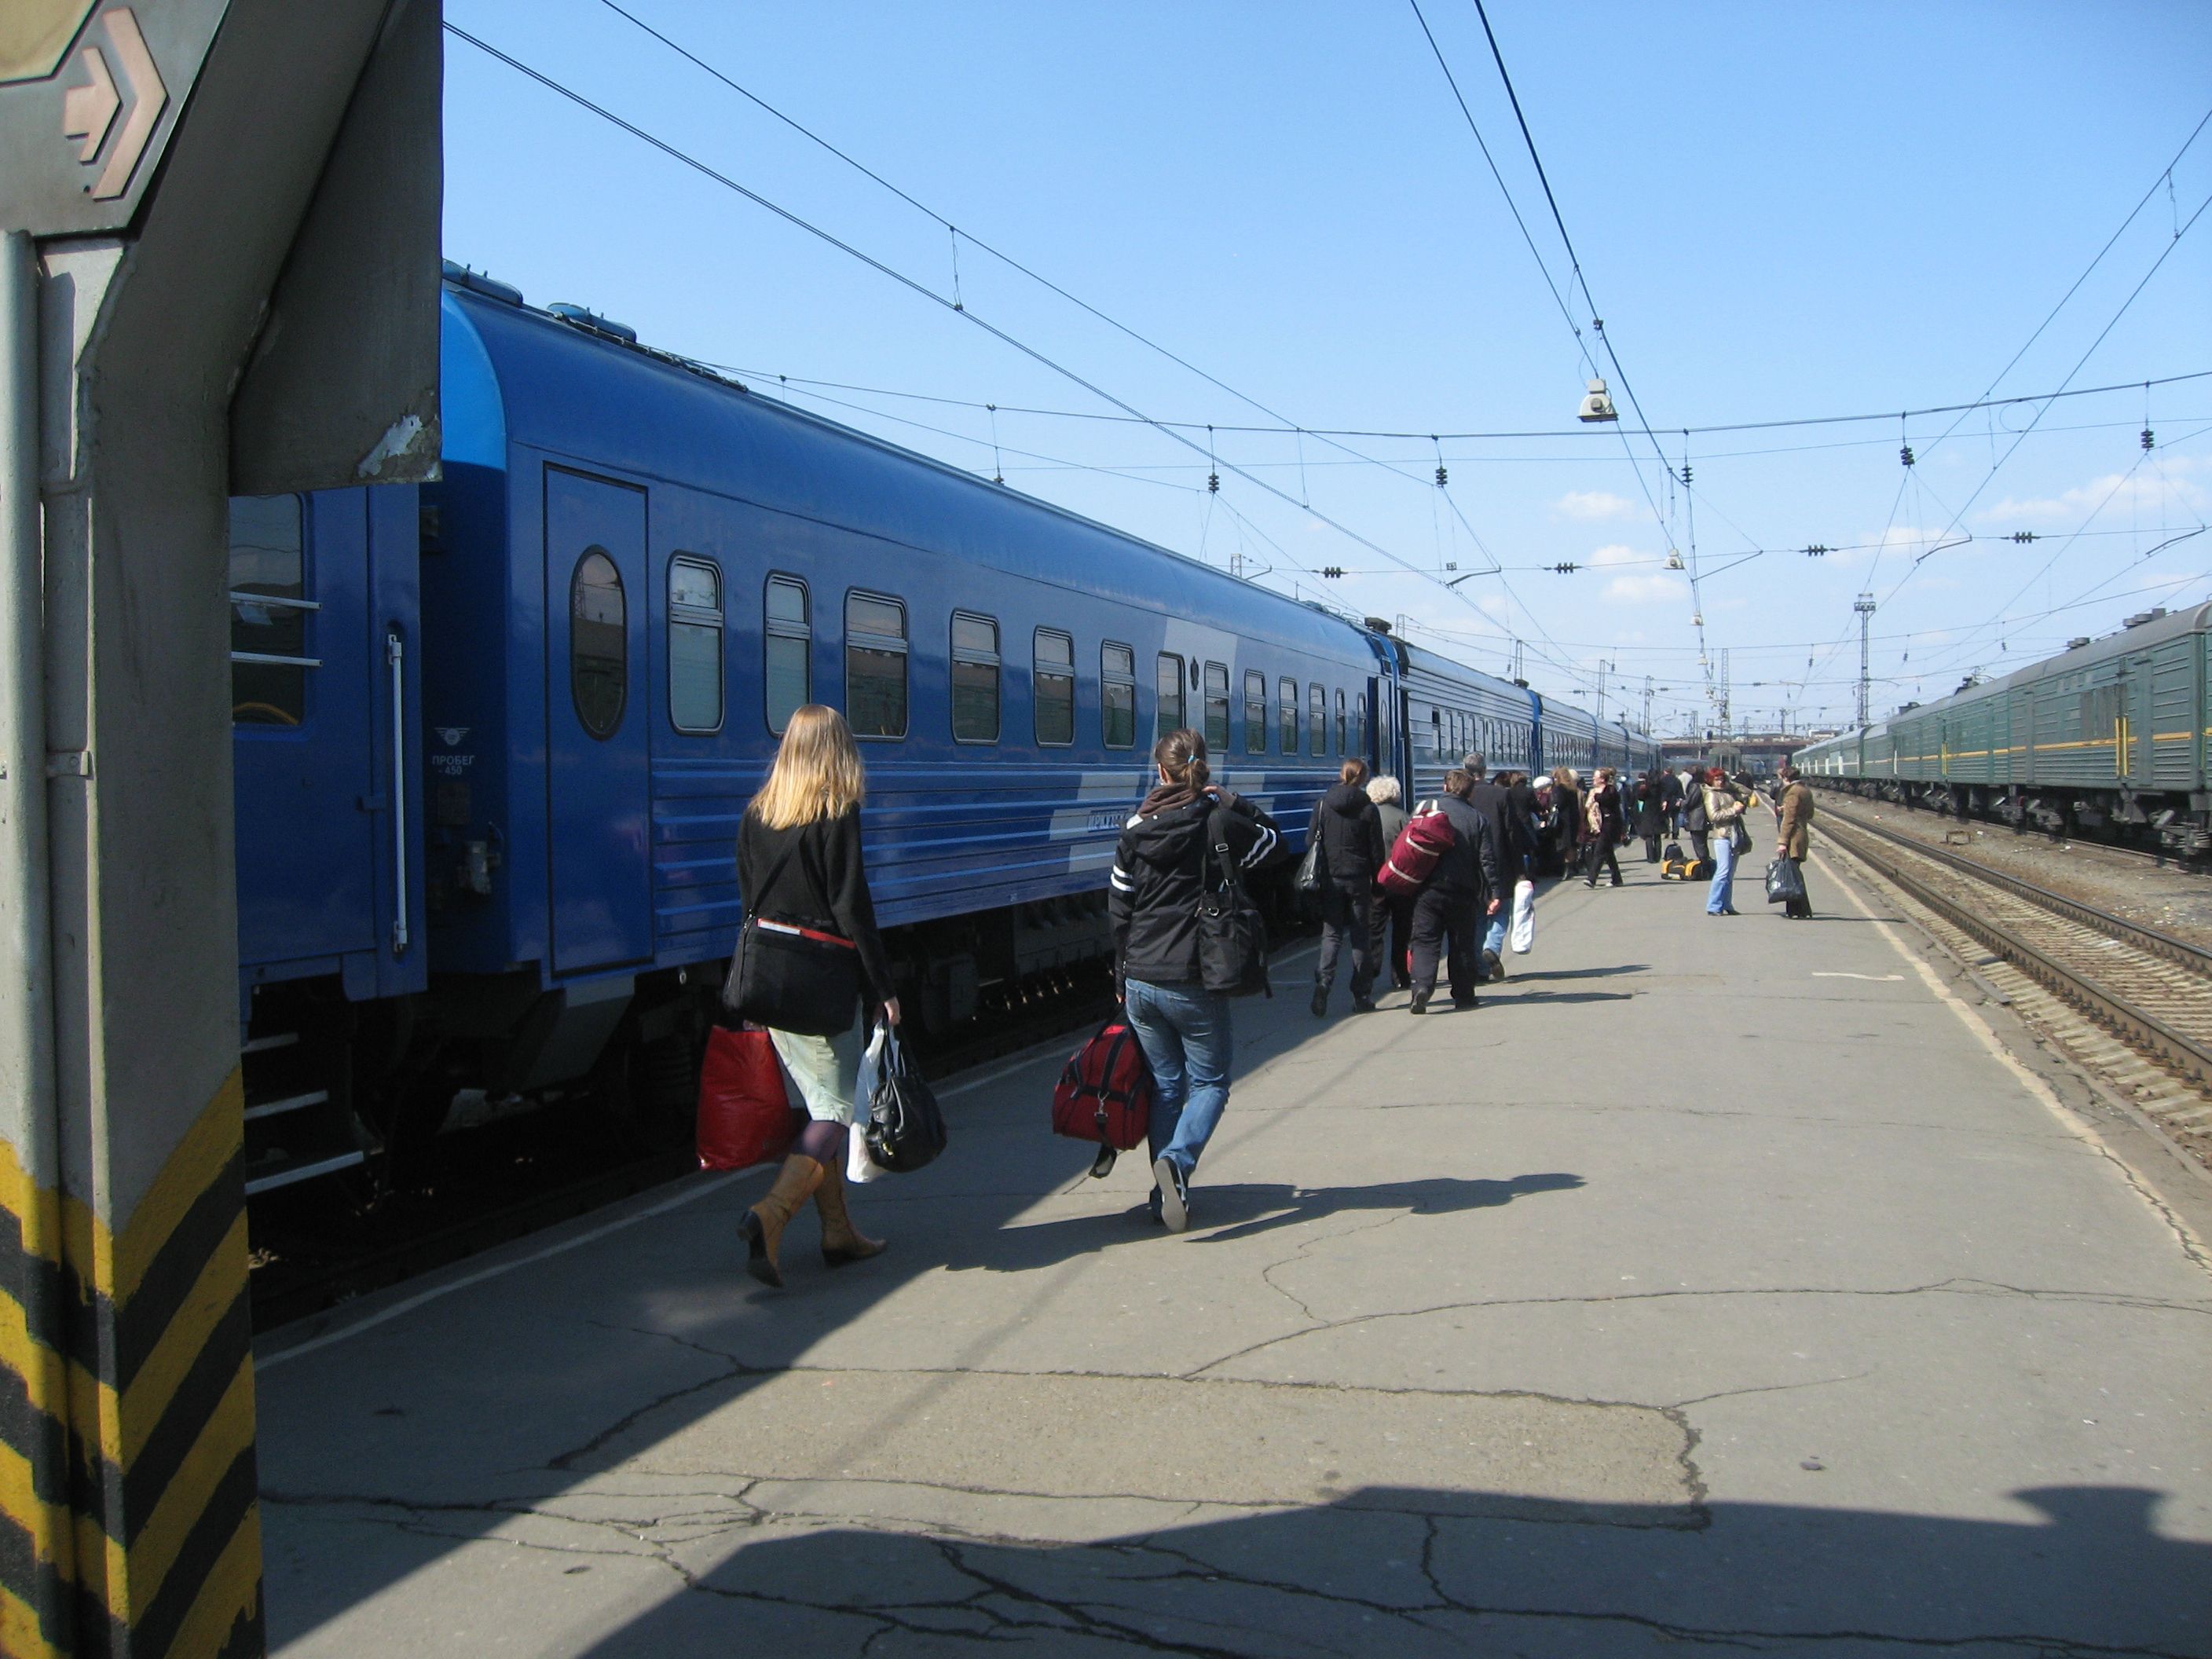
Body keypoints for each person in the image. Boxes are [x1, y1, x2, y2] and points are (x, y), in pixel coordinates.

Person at [734, 705, 899, 1290]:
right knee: (835, 1111)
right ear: (837, 750)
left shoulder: (757, 815)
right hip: (824, 981)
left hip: (772, 980)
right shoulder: (837, 812)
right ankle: (771, 1214)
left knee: (818, 1106)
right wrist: (884, 988)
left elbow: (749, 895)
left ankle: (838, 1232)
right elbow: (853, 906)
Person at [1108, 728, 1280, 1232]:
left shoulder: (1134, 827)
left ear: (1159, 771)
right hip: (1194, 975)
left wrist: (1120, 972)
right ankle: (1177, 1165)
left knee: (1166, 1086)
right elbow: (1274, 844)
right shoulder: (1218, 821)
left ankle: (1165, 1195)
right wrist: (1233, 801)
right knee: (1210, 1083)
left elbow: (1119, 907)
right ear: (1203, 768)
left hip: (1141, 976)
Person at [1408, 769, 1501, 1015]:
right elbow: (1487, 860)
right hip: (1463, 890)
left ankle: (1421, 988)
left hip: (1427, 888)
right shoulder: (1477, 818)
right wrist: (1494, 892)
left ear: (1445, 787)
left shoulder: (1426, 808)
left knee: (1425, 940)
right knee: (1461, 944)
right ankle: (1463, 995)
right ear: (1470, 792)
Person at [1308, 758, 1386, 1014]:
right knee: (1360, 938)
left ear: (1342, 774)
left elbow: (1311, 841)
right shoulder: (1368, 809)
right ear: (1363, 778)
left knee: (1331, 935)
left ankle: (1323, 985)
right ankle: (1361, 996)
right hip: (1359, 880)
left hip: (1331, 879)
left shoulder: (1323, 805)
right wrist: (1378, 883)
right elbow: (1377, 851)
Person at [1460, 754, 1521, 982]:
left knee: (1476, 914)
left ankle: (1480, 968)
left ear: (1465, 770)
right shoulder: (1502, 794)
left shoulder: (1461, 797)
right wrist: (1520, 868)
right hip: (1499, 861)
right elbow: (1512, 834)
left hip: (1470, 863)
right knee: (1501, 909)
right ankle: (1492, 947)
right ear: (1485, 771)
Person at [1366, 774, 1413, 992]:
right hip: (1400, 882)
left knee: (1374, 929)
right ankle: (1400, 975)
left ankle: (1371, 969)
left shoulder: (1365, 815)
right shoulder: (1403, 816)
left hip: (1375, 882)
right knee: (1401, 931)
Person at [1702, 767, 1748, 917]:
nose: (1720, 782)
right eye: (1717, 779)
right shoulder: (1711, 795)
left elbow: (1747, 792)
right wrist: (1734, 810)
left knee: (1730, 873)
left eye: (1722, 779)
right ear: (1710, 780)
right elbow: (1713, 816)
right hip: (1722, 835)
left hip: (1734, 834)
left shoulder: (1727, 792)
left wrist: (1731, 783)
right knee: (1723, 871)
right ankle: (1713, 905)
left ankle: (1727, 903)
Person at [1774, 762, 1816, 918]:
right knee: (1794, 873)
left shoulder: (1792, 793)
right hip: (1802, 833)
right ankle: (1799, 910)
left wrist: (1782, 842)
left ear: (1786, 778)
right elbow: (1809, 814)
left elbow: (1789, 820)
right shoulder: (1805, 791)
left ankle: (1798, 910)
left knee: (1792, 875)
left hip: (1793, 837)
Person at [1583, 766, 1625, 889]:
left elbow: (1607, 800)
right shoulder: (1596, 790)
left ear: (1602, 779)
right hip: (1601, 824)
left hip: (1610, 824)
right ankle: (1617, 879)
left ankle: (1592, 879)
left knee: (1599, 852)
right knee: (1608, 853)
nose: (1593, 779)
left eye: (1595, 777)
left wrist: (1596, 795)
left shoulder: (1610, 790)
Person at [1547, 767, 1583, 881]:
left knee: (1565, 846)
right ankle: (1572, 868)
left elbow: (1559, 804)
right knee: (1571, 846)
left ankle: (1567, 871)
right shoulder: (1572, 788)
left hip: (1563, 822)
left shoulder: (1559, 789)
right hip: (1573, 820)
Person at [1680, 767, 1711, 869]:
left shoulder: (1695, 786)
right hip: (1704, 817)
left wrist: (1681, 803)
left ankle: (1704, 866)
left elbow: (1690, 802)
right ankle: (1706, 865)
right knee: (1703, 843)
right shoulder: (1705, 785)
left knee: (1699, 844)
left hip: (1696, 818)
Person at [1635, 770, 1666, 862]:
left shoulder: (1646, 785)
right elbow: (1665, 795)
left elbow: (1640, 798)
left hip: (1647, 811)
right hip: (1658, 811)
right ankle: (1658, 856)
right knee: (1657, 835)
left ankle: (1651, 857)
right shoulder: (1661, 785)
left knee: (1649, 836)